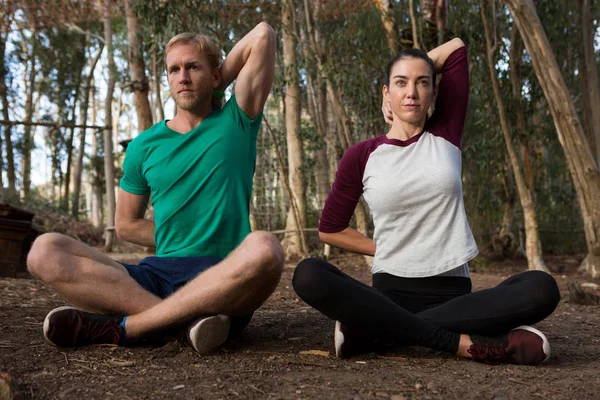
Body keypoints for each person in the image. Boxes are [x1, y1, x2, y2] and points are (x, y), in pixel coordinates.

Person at [292, 38, 560, 366]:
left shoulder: (445, 134)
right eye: (400, 83)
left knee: (541, 287)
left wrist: (415, 66)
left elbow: (458, 48)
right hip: (390, 290)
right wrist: (384, 249)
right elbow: (330, 229)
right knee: (308, 274)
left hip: (453, 293)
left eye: (422, 83)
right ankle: (462, 344)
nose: (412, 92)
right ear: (385, 94)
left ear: (434, 93)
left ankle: (377, 332)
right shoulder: (362, 155)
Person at [27, 22, 284, 355]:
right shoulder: (143, 146)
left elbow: (263, 34)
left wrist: (219, 87)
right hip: (157, 275)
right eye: (174, 70)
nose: (183, 77)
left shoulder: (237, 120)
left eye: (193, 67)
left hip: (224, 275)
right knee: (44, 250)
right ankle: (184, 325)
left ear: (216, 76)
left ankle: (130, 327)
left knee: (266, 248)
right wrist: (180, 234)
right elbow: (126, 225)